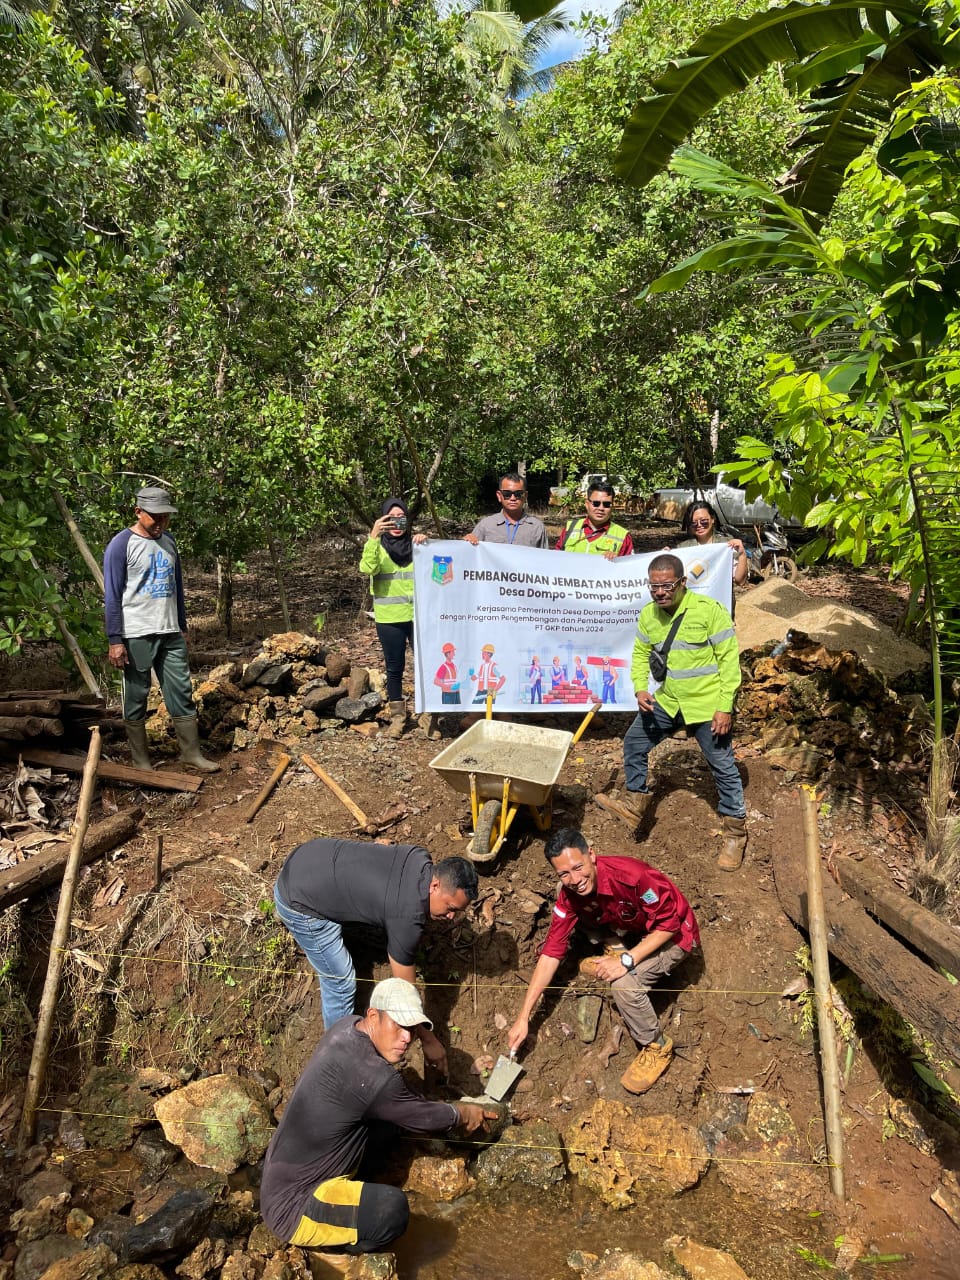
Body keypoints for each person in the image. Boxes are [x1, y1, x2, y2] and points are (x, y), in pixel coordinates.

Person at [260, 978, 496, 1254]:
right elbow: (424, 1116)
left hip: (280, 1177)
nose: (407, 1038)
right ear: (373, 1016)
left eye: (411, 1028)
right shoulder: (372, 1077)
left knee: (389, 1126)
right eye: (399, 1026)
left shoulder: (348, 1027)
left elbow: (400, 1105)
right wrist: (462, 1113)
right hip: (296, 1206)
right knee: (391, 1211)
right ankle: (337, 1253)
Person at [507, 829, 699, 1094]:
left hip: (675, 935)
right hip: (629, 925)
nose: (574, 880)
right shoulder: (570, 893)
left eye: (578, 867)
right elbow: (551, 952)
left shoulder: (634, 877)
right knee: (579, 916)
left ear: (592, 856)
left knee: (622, 986)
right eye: (564, 874)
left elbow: (670, 925)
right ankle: (615, 948)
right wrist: (523, 1017)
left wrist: (627, 961)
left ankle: (657, 1045)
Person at [598, 554, 747, 870]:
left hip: (707, 705)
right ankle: (634, 802)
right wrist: (640, 688)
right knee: (634, 743)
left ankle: (735, 832)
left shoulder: (708, 612)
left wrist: (725, 707)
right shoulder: (649, 615)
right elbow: (639, 655)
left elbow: (729, 663)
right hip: (668, 701)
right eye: (654, 586)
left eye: (666, 585)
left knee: (721, 764)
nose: (660, 592)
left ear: (682, 582)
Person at [274, 838, 478, 1067]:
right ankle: (337, 1057)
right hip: (298, 902)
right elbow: (405, 995)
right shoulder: (406, 915)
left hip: (306, 856)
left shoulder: (419, 857)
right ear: (435, 886)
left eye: (457, 912)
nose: (451, 917)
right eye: (450, 908)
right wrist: (428, 1039)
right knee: (341, 981)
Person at [103, 486, 218, 774]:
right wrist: (115, 639)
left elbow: (176, 586)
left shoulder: (169, 542)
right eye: (155, 517)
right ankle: (141, 761)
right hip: (137, 633)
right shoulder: (121, 545)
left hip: (169, 632)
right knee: (137, 694)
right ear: (138, 512)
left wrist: (182, 625)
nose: (161, 524)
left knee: (181, 690)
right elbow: (112, 596)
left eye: (166, 518)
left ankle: (191, 754)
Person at [359, 497, 428, 738]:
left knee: (426, 665)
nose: (397, 523)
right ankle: (398, 718)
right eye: (390, 518)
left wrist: (425, 543)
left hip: (419, 617)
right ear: (383, 520)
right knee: (395, 668)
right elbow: (367, 569)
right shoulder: (376, 546)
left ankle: (429, 717)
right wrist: (373, 536)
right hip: (390, 618)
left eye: (401, 518)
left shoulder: (417, 546)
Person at [464, 472, 548, 548]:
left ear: (525, 496)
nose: (513, 498)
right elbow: (470, 554)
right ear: (499, 496)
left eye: (518, 494)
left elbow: (544, 559)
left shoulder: (537, 527)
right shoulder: (485, 525)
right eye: (507, 494)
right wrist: (468, 541)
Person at [675, 500, 748, 587]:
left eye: (703, 521)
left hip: (721, 599)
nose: (699, 525)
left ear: (712, 519)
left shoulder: (727, 545)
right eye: (693, 523)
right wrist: (665, 558)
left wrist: (742, 554)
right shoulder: (682, 548)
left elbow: (740, 581)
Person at [555, 480, 634, 558]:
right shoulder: (570, 528)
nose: (601, 508)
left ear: (612, 506)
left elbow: (628, 567)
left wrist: (617, 561)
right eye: (596, 503)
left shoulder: (623, 536)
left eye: (606, 504)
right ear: (587, 504)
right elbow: (556, 559)